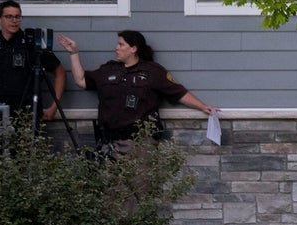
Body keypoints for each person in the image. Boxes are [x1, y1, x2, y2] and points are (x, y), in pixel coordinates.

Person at [57, 30, 216, 157]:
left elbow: (178, 93)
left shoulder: (152, 71)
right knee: (111, 193)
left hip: (139, 144)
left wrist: (203, 106)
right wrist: (73, 53)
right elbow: (81, 81)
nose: (116, 48)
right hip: (108, 144)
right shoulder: (108, 70)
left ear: (133, 49)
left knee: (139, 192)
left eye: (121, 44)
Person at [0, 0, 65, 122]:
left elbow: (60, 72)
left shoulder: (33, 46)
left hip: (26, 114)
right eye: (9, 17)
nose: (14, 21)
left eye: (17, 17)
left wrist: (54, 107)